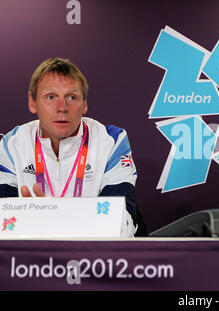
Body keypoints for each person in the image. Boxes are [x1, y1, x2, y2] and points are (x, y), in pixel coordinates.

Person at [0, 58, 146, 237]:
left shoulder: (111, 141)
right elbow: (2, 223)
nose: (62, 107)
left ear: (84, 104)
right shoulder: (12, 145)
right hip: (31, 261)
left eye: (72, 97)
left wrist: (46, 220)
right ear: (32, 102)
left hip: (94, 259)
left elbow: (123, 226)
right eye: (51, 97)